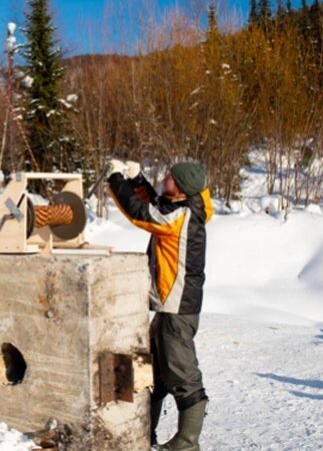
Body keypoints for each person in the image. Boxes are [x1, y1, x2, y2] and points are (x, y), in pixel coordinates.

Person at [106, 160, 213, 451]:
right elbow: (155, 202)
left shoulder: (178, 217)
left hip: (176, 309)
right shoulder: (183, 206)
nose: (164, 178)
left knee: (182, 375)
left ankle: (187, 443)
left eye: (169, 177)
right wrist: (136, 179)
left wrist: (115, 179)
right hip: (170, 307)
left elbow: (142, 214)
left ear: (180, 188)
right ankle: (145, 432)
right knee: (155, 374)